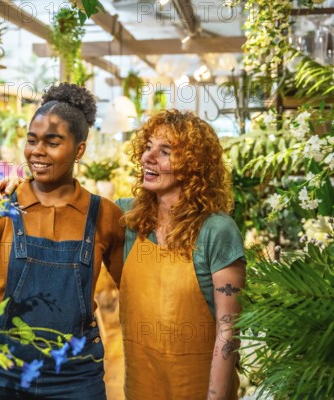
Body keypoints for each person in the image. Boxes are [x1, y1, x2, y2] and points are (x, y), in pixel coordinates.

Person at [0, 83, 125, 400]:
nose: (37, 151)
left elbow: (133, 289)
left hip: (75, 372)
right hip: (2, 369)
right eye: (32, 140)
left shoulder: (104, 215)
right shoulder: (1, 204)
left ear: (79, 150)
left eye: (52, 142)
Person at [116, 109, 245, 399]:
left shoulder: (217, 231)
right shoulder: (128, 217)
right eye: (148, 147)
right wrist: (23, 188)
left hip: (199, 389)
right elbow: (67, 202)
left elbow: (228, 331)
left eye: (165, 151)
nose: (149, 157)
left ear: (193, 165)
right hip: (140, 388)